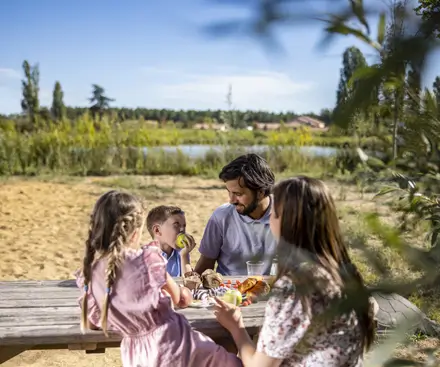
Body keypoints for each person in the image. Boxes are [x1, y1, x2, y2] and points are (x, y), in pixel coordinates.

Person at [213, 176, 376, 367]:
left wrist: (236, 326)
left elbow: (259, 366)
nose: (270, 221)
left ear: (288, 222)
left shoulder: (297, 285)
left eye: (273, 214)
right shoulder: (344, 272)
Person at [75, 190, 242, 367]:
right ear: (136, 232)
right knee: (232, 358)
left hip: (137, 356)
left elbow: (94, 322)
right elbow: (182, 300)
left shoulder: (90, 274)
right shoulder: (148, 260)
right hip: (175, 346)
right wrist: (188, 289)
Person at [194, 153, 277, 276]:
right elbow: (206, 263)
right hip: (228, 292)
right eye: (229, 192)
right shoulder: (221, 216)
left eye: (238, 194)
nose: (232, 200)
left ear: (261, 192)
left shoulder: (290, 215)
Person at [146, 205, 196, 277]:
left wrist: (184, 255)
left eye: (184, 226)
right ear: (157, 230)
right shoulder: (147, 257)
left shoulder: (181, 253)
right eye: (176, 225)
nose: (182, 229)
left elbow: (189, 282)